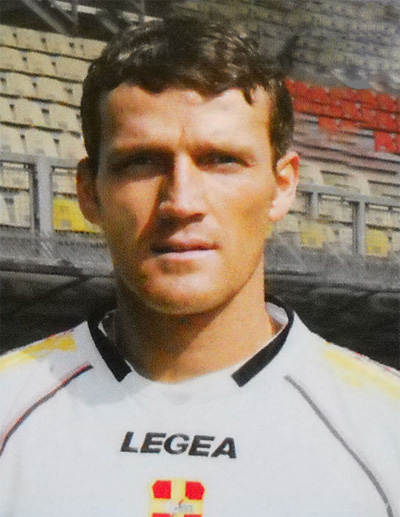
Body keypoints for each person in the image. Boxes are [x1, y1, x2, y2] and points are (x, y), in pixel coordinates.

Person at [1, 15, 399, 517]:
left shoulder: (386, 426)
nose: (181, 202)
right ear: (89, 193)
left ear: (282, 187)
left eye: (221, 160)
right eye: (141, 162)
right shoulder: (9, 408)